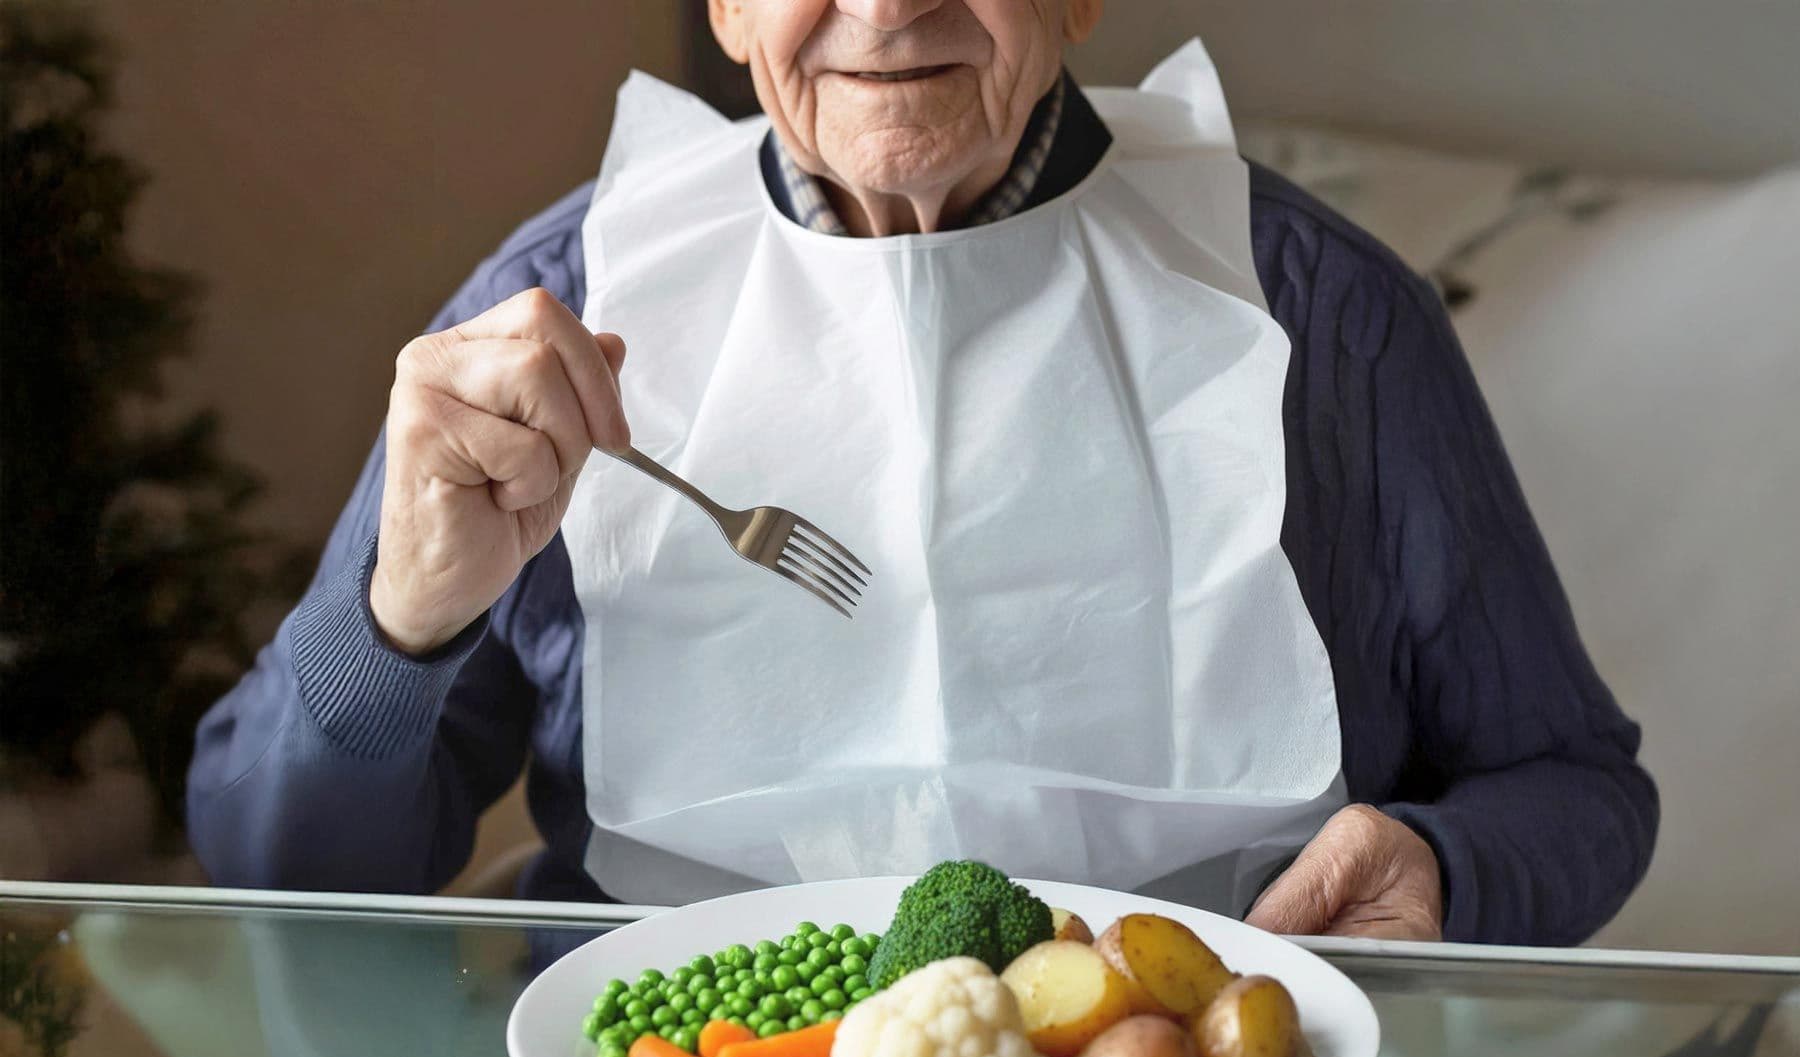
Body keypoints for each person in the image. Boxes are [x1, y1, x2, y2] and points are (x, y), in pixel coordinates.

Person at [187, 0, 1657, 945]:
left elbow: (1574, 784)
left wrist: (1447, 870)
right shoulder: (558, 307)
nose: (887, 11)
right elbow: (277, 877)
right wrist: (399, 619)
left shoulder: (1327, 316)